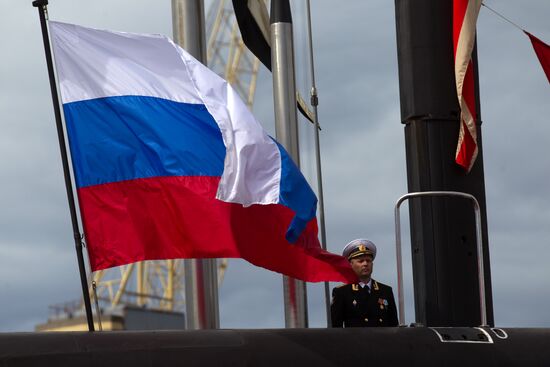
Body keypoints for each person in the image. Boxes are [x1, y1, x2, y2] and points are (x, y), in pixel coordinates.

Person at [330, 238, 398, 327]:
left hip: (381, 340)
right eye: (360, 261)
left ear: (372, 264)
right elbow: (336, 328)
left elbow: (393, 325)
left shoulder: (386, 291)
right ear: (351, 265)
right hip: (356, 340)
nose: (365, 264)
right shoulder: (342, 292)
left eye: (368, 260)